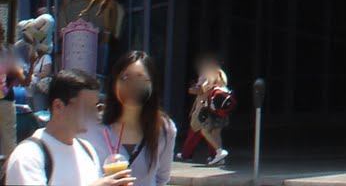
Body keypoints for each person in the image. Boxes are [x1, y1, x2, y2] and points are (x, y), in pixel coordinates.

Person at [5, 67, 131, 186]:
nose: (94, 114)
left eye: (96, 107)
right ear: (58, 106)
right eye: (86, 107)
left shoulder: (87, 150)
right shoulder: (29, 156)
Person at [98, 51, 176, 186]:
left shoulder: (165, 128)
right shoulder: (94, 127)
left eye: (140, 78)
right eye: (125, 78)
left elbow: (162, 179)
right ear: (114, 84)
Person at [177, 57, 228, 167]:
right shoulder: (222, 75)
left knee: (201, 131)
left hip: (205, 108)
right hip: (217, 109)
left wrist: (192, 90)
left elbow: (204, 89)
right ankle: (217, 155)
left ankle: (216, 153)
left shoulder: (210, 74)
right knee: (214, 133)